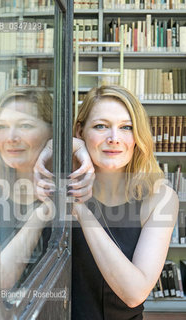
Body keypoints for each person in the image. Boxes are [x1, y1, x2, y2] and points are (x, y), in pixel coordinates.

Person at [35, 84, 179, 319]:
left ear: (137, 136)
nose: (114, 138)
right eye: (101, 126)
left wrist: (80, 209)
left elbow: (134, 293)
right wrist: (62, 147)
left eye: (126, 127)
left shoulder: (160, 197)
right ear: (80, 132)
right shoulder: (56, 181)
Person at [0, 86, 54, 290]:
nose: (11, 137)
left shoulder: (73, 192)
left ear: (52, 132)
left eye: (25, 125)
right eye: (2, 126)